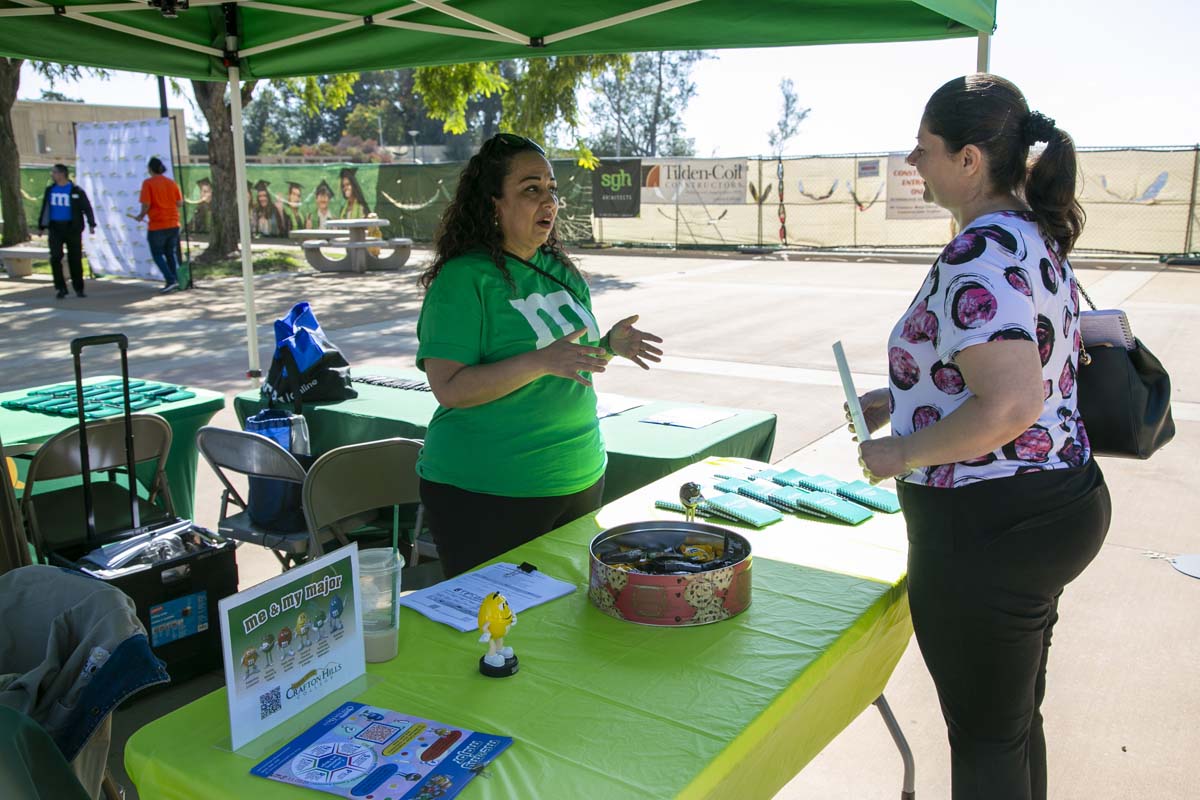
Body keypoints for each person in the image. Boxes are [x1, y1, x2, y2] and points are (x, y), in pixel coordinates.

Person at [852, 74, 1111, 800]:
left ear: (969, 160)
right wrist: (903, 398)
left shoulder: (979, 252)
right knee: (1011, 726)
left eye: (925, 147)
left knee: (988, 741)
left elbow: (1012, 403)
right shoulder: (1029, 235)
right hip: (1050, 502)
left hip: (990, 523)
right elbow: (1012, 365)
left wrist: (901, 452)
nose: (913, 160)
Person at [416, 133, 664, 577]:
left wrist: (608, 346)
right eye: (531, 189)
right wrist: (540, 361)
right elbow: (449, 388)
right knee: (497, 617)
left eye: (552, 188)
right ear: (493, 203)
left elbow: (569, 360)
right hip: (489, 491)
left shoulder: (562, 272)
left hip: (580, 476)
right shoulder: (463, 279)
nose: (548, 201)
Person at [36, 164, 95, 299]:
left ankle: (79, 288)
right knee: (55, 257)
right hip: (55, 228)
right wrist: (41, 227)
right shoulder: (50, 190)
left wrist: (91, 224)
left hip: (72, 228)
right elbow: (45, 208)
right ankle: (61, 288)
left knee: (75, 258)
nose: (52, 175)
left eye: (54, 172)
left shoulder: (76, 191)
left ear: (62, 174)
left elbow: (86, 208)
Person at [134, 157, 183, 293]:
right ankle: (175, 279)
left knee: (157, 254)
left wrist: (141, 215)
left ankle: (170, 280)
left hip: (158, 224)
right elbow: (179, 203)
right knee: (170, 253)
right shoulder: (171, 183)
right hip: (173, 223)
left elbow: (146, 204)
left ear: (150, 169)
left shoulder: (148, 183)